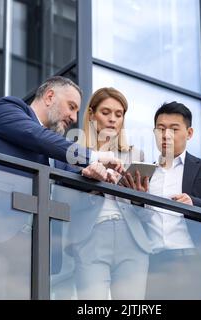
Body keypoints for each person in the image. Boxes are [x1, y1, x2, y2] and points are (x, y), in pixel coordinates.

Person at [0, 77, 123, 299]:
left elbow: (75, 177)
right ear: (50, 96)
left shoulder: (58, 152)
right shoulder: (7, 110)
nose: (73, 117)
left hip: (32, 248)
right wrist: (93, 156)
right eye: (71, 107)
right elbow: (36, 136)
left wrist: (98, 175)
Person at [123, 101, 201, 300]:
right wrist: (138, 202)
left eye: (174, 129)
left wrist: (194, 204)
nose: (166, 135)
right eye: (160, 129)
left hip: (193, 266)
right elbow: (136, 223)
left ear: (189, 133)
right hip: (152, 268)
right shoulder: (144, 174)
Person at [52, 87, 152, 299]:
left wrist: (139, 197)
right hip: (91, 236)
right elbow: (60, 200)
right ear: (91, 114)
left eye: (118, 114)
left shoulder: (135, 154)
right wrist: (91, 185)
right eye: (105, 113)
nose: (112, 119)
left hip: (132, 238)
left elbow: (148, 213)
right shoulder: (70, 151)